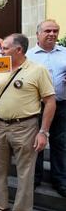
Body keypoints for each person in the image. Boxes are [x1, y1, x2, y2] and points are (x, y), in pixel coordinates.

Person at [0, 33, 56, 211]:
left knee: (25, 174)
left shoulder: (38, 70)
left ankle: (21, 210)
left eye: (5, 48)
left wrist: (43, 132)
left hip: (26, 127)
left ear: (19, 49)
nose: (1, 51)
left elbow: (50, 101)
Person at [27, 19, 66, 197]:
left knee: (61, 143)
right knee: (36, 143)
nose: (52, 34)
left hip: (62, 105)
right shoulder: (28, 56)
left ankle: (60, 179)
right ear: (38, 34)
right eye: (47, 31)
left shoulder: (65, 53)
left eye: (55, 31)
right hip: (36, 106)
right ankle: (34, 178)